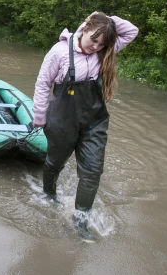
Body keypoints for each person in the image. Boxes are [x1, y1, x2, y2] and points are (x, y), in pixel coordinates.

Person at [33, 12, 139, 243]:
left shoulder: (103, 51)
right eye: (94, 39)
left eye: (102, 44)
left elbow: (132, 31)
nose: (96, 46)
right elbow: (43, 83)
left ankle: (81, 218)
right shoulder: (59, 52)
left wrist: (106, 19)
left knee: (92, 171)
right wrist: (39, 116)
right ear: (85, 28)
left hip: (94, 121)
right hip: (62, 120)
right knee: (55, 163)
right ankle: (48, 194)